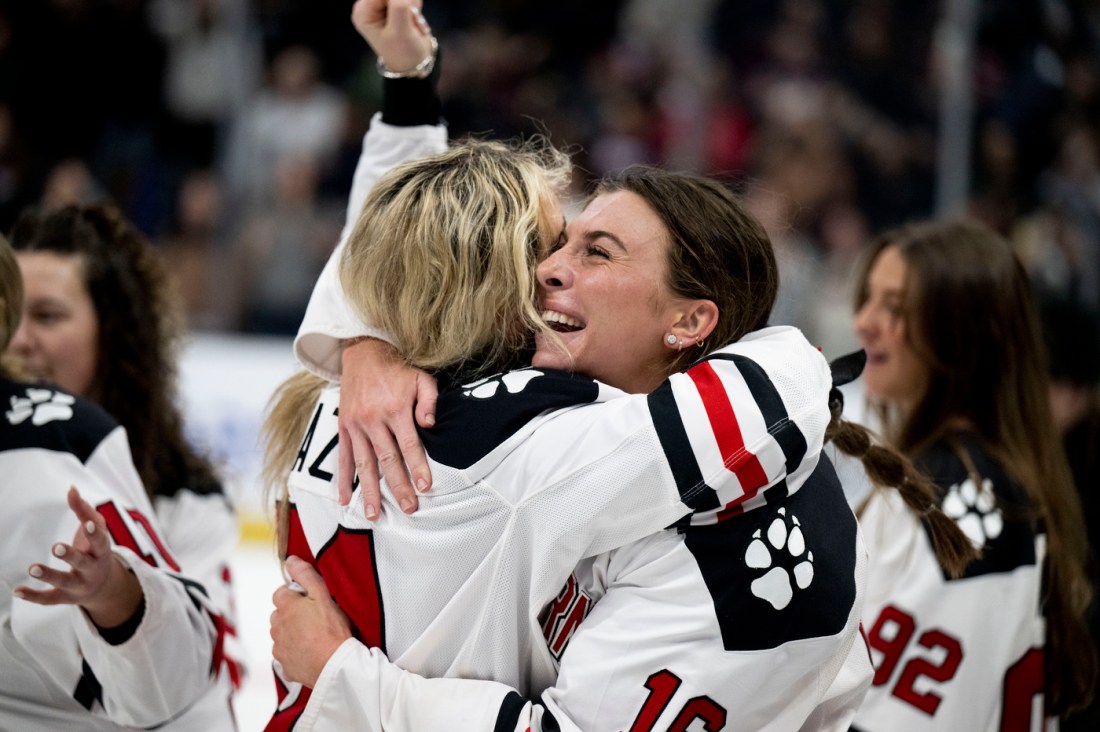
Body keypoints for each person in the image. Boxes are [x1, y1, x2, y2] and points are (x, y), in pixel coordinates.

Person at [261, 2, 872, 730]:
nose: (550, 272)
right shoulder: (544, 443)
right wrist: (810, 364)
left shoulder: (348, 395)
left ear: (689, 320)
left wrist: (366, 341)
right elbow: (765, 393)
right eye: (549, 248)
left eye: (594, 251)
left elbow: (380, 250)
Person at [849, 217, 1097, 730]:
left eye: (894, 308)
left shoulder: (949, 497)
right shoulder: (996, 479)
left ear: (961, 334)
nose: (864, 322)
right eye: (868, 298)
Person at [3, 201, 243, 724]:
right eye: (8, 314)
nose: (18, 340)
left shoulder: (185, 500)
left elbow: (196, 692)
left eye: (47, 316)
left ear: (113, 336)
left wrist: (118, 593)